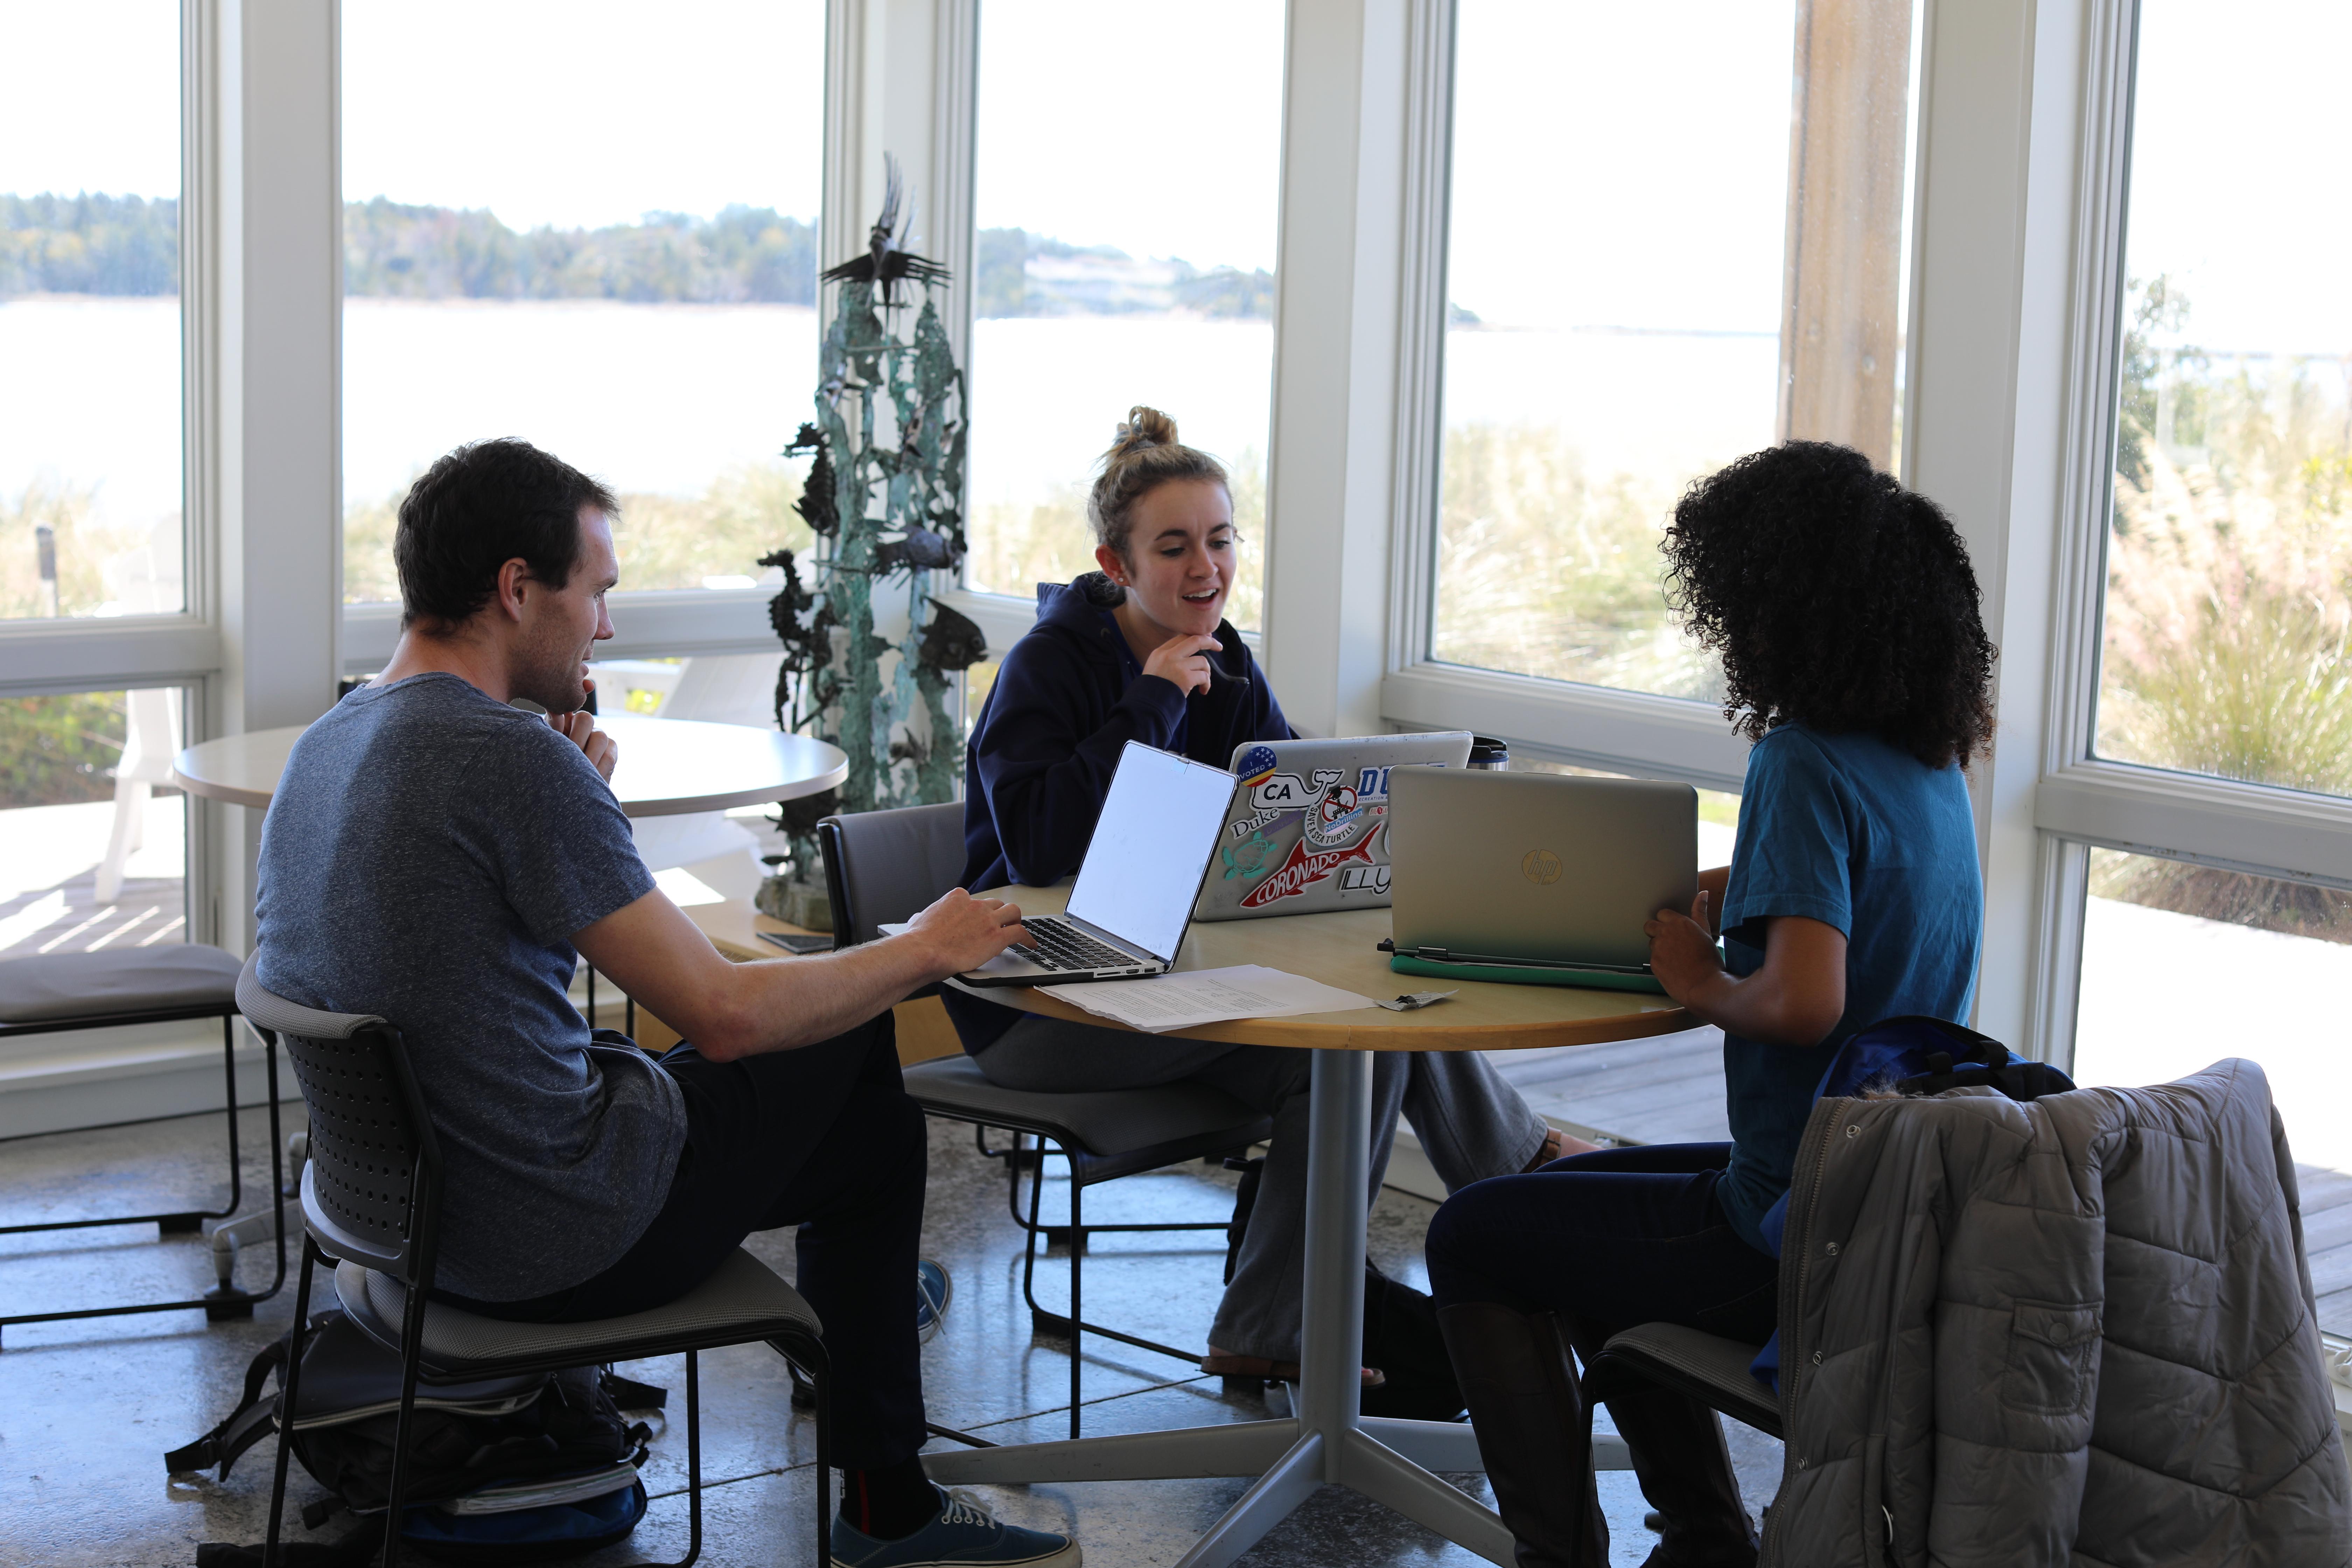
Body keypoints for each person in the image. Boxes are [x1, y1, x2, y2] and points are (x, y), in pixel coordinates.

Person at [254, 438, 1078, 1568]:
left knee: (776, 1074)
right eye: (595, 592)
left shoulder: (329, 742)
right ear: (515, 588)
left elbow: (462, 944)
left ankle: (858, 1326)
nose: (604, 627)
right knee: (855, 1072)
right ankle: (889, 1497)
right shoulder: (506, 762)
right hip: (550, 1238)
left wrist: (577, 801)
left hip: (402, 1231)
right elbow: (727, 1011)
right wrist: (925, 949)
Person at [1424, 441, 1994, 1568]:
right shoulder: (1924, 764)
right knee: (1556, 1199)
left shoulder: (1800, 760)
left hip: (1790, 1224)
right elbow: (1858, 904)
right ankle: (1704, 1539)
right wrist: (1738, 891)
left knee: (1472, 1233)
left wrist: (1698, 977)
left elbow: (1803, 1002)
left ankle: (1564, 1553)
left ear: (1779, 608)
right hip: (1877, 1201)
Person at [948, 406, 1578, 1392]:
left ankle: (1268, 1331)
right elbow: (1039, 849)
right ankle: (1523, 1171)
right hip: (1041, 997)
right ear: (1116, 564)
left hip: (1173, 976)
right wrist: (1151, 700)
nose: (1206, 567)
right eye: (1174, 548)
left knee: (1361, 1050)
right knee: (1359, 1040)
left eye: (1221, 539)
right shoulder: (1051, 665)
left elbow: (1281, 803)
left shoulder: (1230, 662)